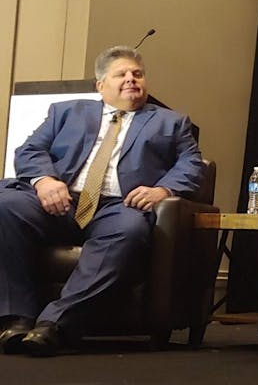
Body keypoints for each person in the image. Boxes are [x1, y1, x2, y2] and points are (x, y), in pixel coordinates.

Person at [0, 46, 205, 357]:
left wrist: (162, 190)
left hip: (118, 206)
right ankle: (17, 318)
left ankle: (54, 324)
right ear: (100, 86)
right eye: (120, 74)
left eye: (137, 74)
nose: (131, 79)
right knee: (6, 207)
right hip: (60, 200)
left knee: (131, 231)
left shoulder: (171, 122)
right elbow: (29, 150)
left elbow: (192, 164)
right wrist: (44, 181)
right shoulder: (66, 111)